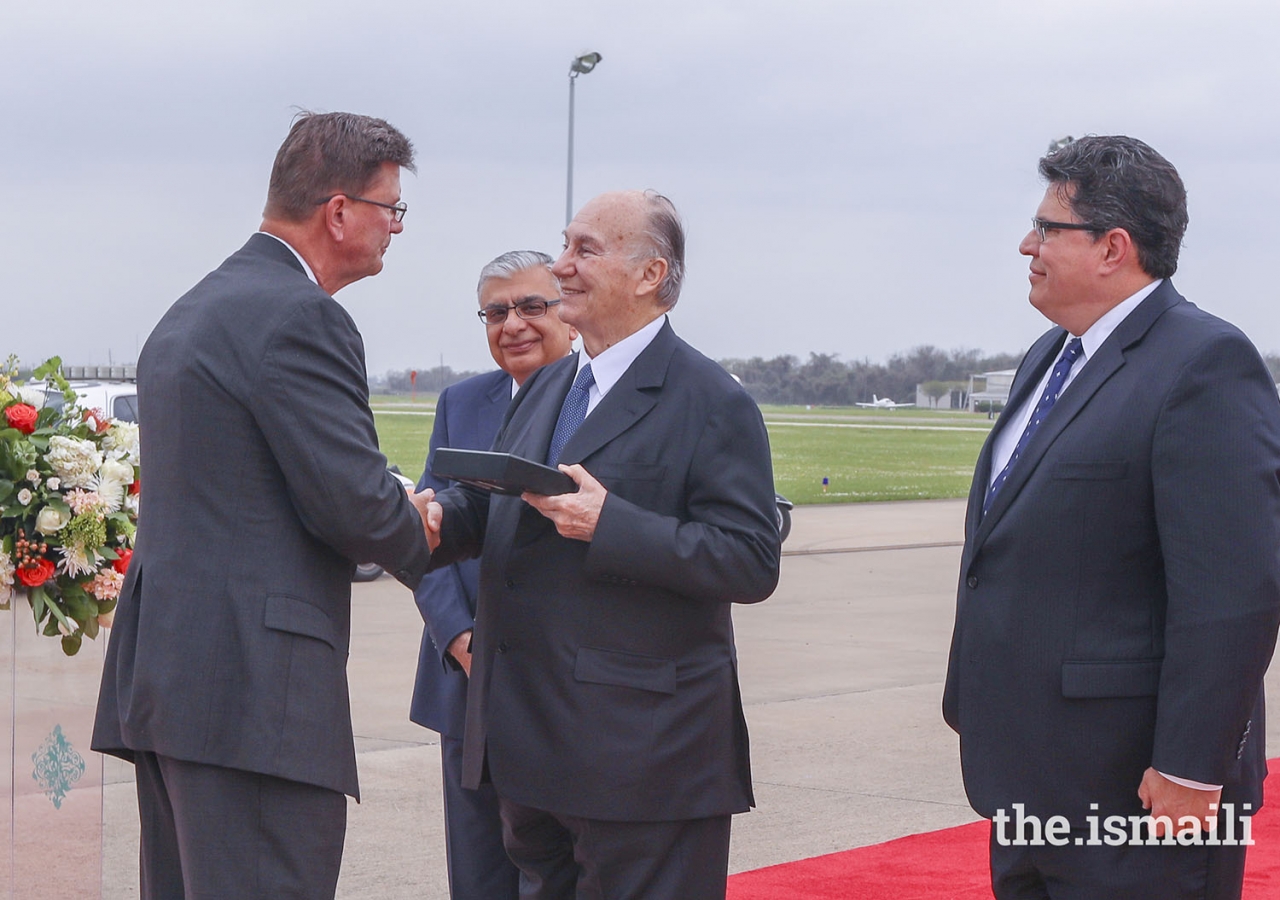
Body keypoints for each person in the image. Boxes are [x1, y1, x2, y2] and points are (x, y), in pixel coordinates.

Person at [92, 111, 440, 899]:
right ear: (340, 210)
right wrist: (420, 523)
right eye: (392, 209)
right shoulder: (300, 315)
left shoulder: (194, 307)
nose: (395, 230)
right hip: (252, 698)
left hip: (179, 684)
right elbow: (354, 506)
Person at [943, 135, 1280, 899]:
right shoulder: (1049, 358)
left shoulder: (1204, 364)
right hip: (1032, 778)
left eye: (1046, 228)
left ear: (1113, 247)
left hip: (1139, 794)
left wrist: (1193, 764)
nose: (1026, 245)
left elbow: (1233, 592)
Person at [425, 190, 781, 899]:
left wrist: (610, 523)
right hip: (531, 752)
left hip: (641, 762)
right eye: (565, 246)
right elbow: (508, 504)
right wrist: (435, 518)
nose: (561, 267)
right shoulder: (554, 384)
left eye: (585, 249)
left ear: (650, 275)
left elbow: (749, 558)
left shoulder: (710, 400)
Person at [411, 250, 576, 899]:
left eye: (533, 306)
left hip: (556, 685)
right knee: (479, 873)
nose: (514, 324)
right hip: (468, 680)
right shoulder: (462, 401)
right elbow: (428, 530)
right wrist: (458, 638)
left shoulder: (590, 403)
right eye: (497, 311)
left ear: (568, 311)